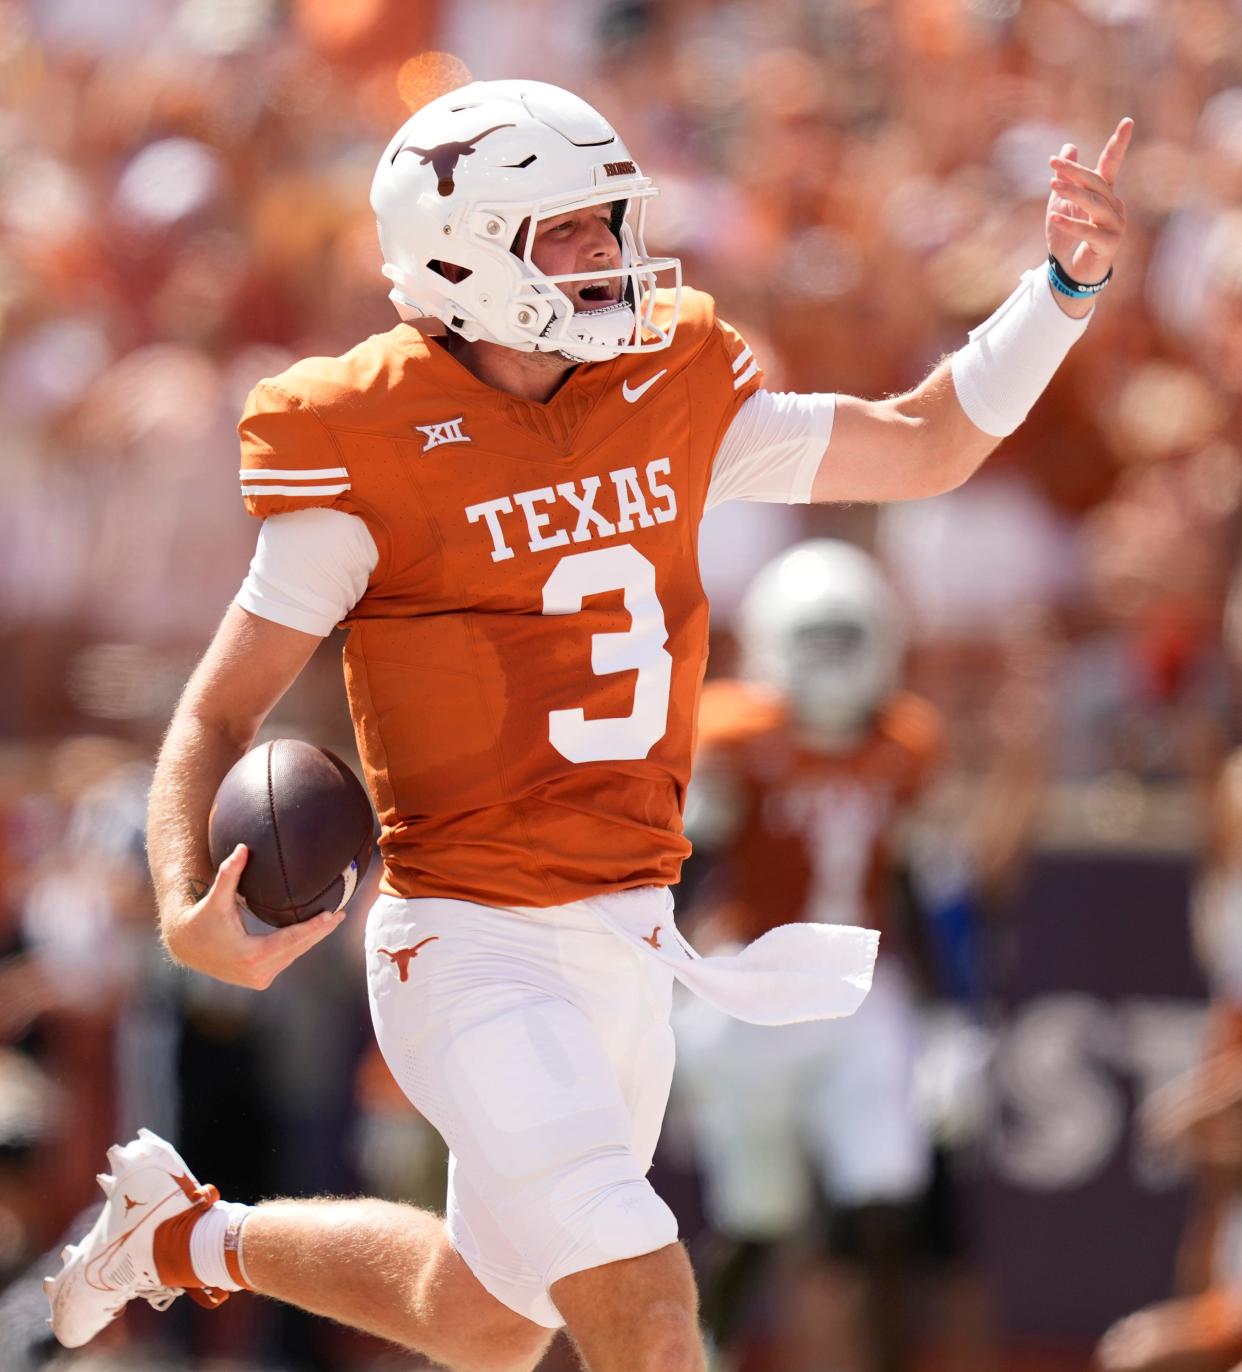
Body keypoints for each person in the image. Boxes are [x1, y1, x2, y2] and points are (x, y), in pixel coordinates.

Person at [43, 78, 1132, 1372]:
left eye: (608, 221)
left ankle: (180, 1238)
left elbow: (923, 440)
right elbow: (223, 704)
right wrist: (181, 899)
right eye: (564, 229)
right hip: (468, 943)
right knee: (652, 1313)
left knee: (484, 1321)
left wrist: (1056, 294)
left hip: (628, 935)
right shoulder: (366, 443)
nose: (606, 255)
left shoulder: (664, 384)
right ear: (458, 249)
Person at [676, 539, 965, 1372]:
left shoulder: (908, 741)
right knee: (758, 1218)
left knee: (882, 1198)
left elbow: (923, 884)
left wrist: (951, 1019)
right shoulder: (735, 733)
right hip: (754, 991)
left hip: (864, 990)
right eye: (819, 640)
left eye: (847, 640)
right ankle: (702, 1352)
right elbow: (681, 865)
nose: (835, 663)